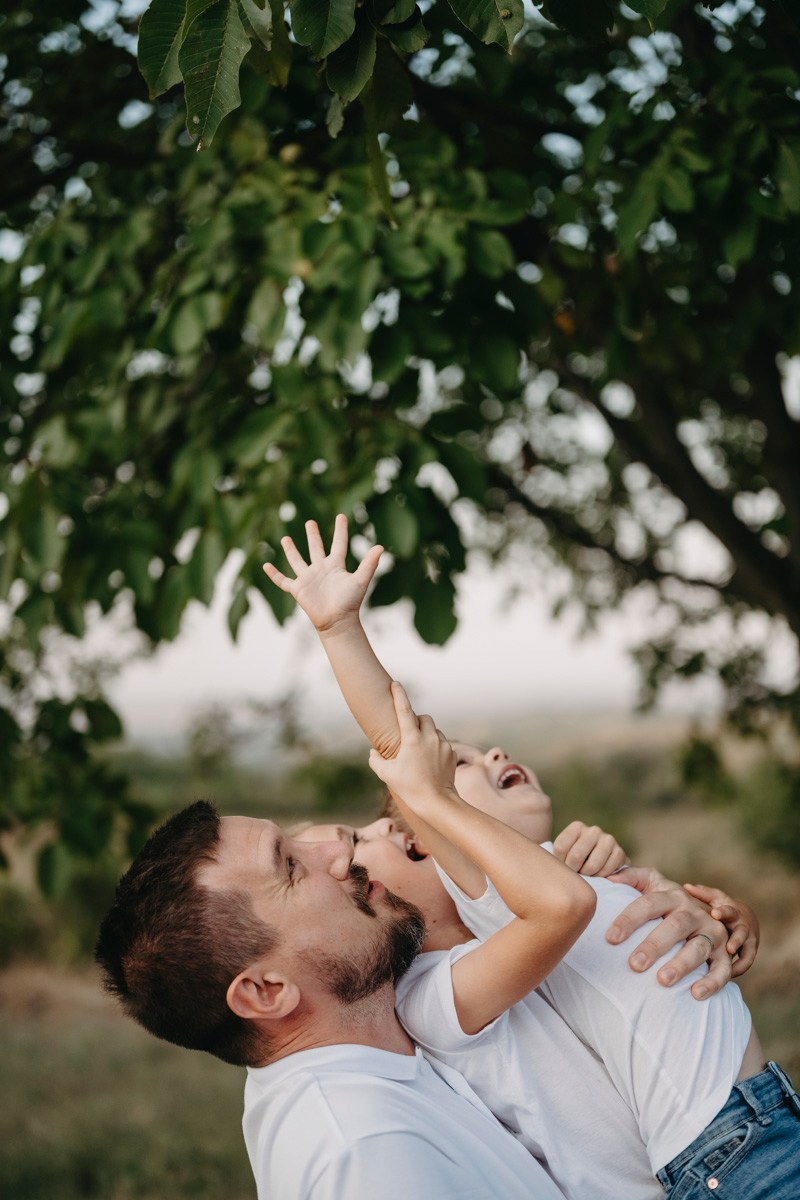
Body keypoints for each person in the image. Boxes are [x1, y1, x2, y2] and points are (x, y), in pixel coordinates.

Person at [265, 514, 800, 1200]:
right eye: (456, 767)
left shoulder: (536, 884)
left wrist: (724, 916)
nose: (489, 752)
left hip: (753, 1119)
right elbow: (403, 749)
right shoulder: (478, 931)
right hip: (728, 1151)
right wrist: (339, 631)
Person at [94, 802, 571, 1200]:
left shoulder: (393, 1053)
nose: (339, 850)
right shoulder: (367, 1155)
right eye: (290, 867)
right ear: (266, 991)